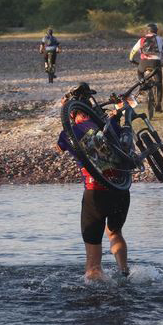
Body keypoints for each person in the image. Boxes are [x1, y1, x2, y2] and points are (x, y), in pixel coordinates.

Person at [56, 90, 131, 280]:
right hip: (121, 190)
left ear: (72, 113)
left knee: (93, 257)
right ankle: (124, 272)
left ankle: (95, 290)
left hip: (95, 193)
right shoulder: (109, 123)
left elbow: (59, 148)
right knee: (115, 232)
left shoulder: (69, 133)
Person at [128, 23, 163, 112]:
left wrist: (131, 59)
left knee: (140, 72)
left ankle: (142, 85)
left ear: (147, 31)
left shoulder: (142, 40)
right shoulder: (160, 39)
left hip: (144, 63)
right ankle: (158, 105)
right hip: (156, 63)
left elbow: (133, 51)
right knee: (159, 83)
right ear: (156, 31)